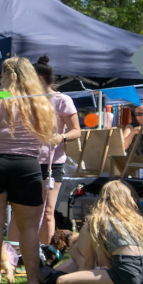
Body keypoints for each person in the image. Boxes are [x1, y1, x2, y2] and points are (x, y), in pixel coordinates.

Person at [0, 56, 57, 284]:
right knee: (30, 228)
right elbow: (47, 141)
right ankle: (32, 282)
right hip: (27, 166)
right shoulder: (41, 106)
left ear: (6, 75)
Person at [58, 180, 143, 284]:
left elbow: (89, 263)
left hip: (128, 273)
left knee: (62, 282)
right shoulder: (136, 221)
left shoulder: (97, 220)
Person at [33, 56, 81, 248]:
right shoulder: (26, 100)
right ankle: (21, 253)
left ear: (40, 78)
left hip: (52, 163)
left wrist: (61, 137)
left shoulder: (62, 100)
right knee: (28, 210)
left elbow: (76, 131)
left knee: (47, 211)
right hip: (26, 160)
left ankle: (47, 254)